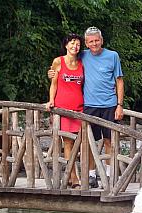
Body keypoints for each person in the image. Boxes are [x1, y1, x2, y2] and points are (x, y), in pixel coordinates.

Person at [48, 27, 124, 188]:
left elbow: (119, 80)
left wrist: (120, 105)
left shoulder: (111, 56)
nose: (94, 43)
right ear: (86, 44)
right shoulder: (79, 56)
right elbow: (57, 75)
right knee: (88, 142)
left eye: (97, 40)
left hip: (105, 105)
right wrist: (51, 78)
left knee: (109, 141)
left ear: (101, 40)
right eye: (90, 41)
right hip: (86, 106)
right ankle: (88, 176)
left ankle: (108, 176)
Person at [45, 33, 84, 189]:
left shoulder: (82, 63)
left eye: (78, 44)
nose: (75, 46)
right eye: (72, 43)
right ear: (66, 45)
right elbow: (53, 83)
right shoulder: (58, 61)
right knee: (67, 142)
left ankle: (71, 175)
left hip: (80, 108)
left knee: (80, 143)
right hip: (63, 108)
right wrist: (51, 100)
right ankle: (73, 177)